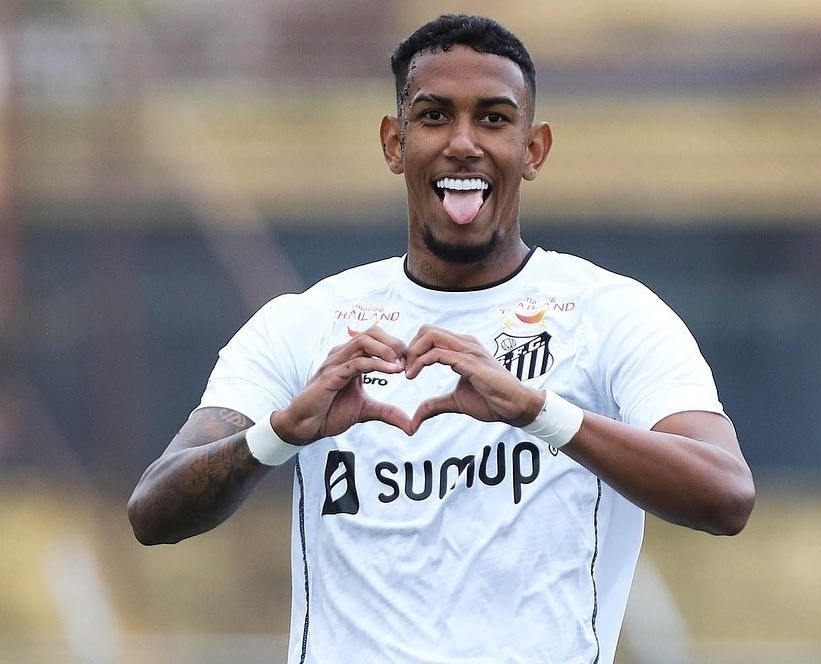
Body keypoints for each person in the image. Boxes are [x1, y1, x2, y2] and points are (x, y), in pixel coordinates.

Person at [128, 14, 755, 664]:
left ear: (533, 149)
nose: (462, 143)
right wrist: (281, 432)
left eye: (493, 118)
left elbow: (726, 495)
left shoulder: (612, 316)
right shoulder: (304, 323)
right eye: (433, 116)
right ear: (393, 143)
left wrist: (538, 412)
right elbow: (153, 510)